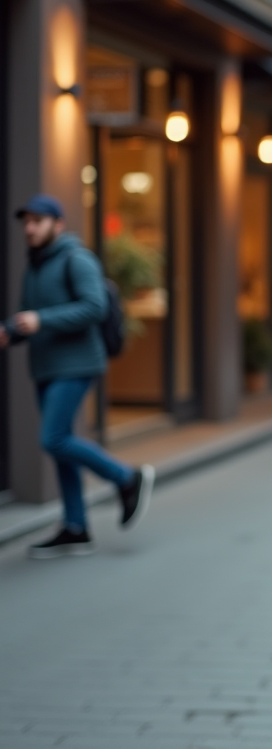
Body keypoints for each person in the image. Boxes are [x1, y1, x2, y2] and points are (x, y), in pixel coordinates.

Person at [0, 194, 155, 559]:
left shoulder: (76, 258)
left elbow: (94, 307)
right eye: (27, 222)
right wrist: (12, 330)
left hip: (78, 363)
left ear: (58, 224)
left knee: (53, 438)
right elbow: (32, 317)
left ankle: (126, 477)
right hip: (46, 366)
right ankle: (76, 527)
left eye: (38, 221)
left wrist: (42, 320)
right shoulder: (34, 266)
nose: (30, 228)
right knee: (61, 445)